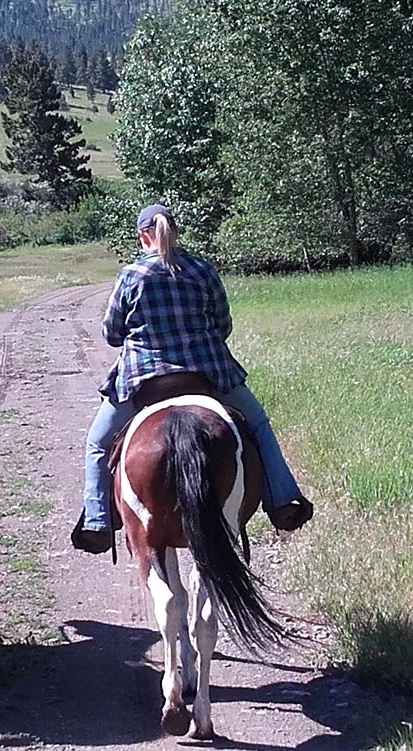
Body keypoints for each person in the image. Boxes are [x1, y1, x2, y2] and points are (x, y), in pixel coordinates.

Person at [72, 204, 314, 554]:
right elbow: (223, 325)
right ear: (176, 231)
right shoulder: (203, 269)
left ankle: (97, 521)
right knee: (258, 425)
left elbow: (111, 333)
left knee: (97, 443)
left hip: (144, 380)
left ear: (143, 236)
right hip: (208, 375)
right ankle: (283, 500)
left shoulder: (132, 274)